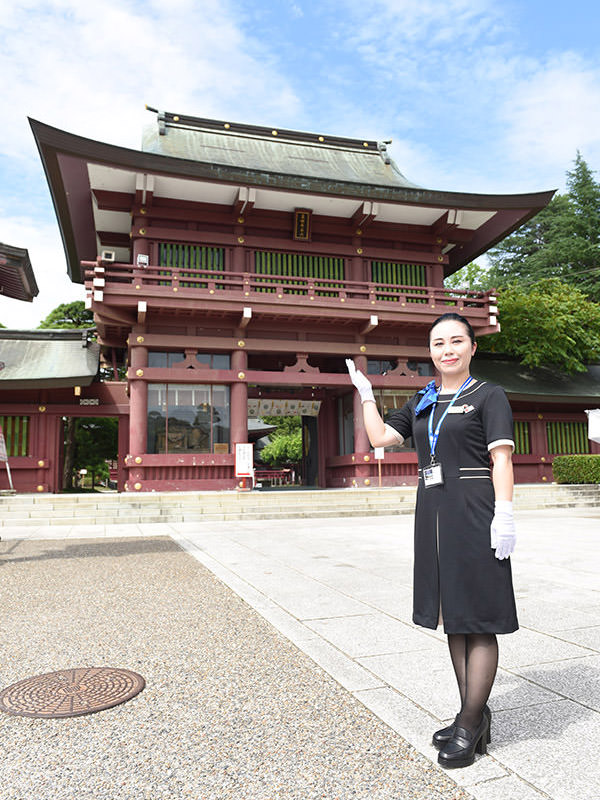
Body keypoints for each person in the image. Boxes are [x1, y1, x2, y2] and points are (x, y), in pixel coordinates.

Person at [346, 312, 518, 769]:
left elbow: (501, 458)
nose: (448, 349)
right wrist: (366, 396)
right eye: (439, 343)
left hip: (475, 509)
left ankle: (469, 721)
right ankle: (472, 717)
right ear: (430, 351)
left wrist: (505, 514)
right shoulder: (423, 400)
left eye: (457, 341)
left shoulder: (488, 395)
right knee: (454, 614)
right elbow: (382, 437)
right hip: (434, 512)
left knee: (478, 615)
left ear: (472, 348)